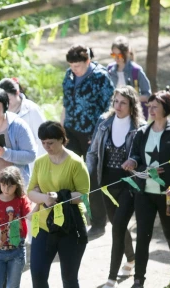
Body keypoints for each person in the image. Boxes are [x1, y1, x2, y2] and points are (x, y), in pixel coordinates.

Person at [123, 91, 170, 288]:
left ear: (166, 109)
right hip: (145, 193)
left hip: (168, 195)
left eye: (155, 106)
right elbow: (135, 154)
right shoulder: (142, 132)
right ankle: (138, 283)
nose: (150, 110)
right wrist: (133, 163)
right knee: (143, 237)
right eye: (149, 106)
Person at [27, 121, 89, 288]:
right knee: (37, 273)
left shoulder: (75, 162)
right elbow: (30, 190)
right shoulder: (41, 162)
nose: (47, 147)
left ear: (62, 140)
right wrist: (45, 198)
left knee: (69, 277)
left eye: (51, 143)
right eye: (43, 143)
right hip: (44, 225)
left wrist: (60, 196)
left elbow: (84, 193)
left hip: (70, 227)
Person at [87, 86, 145, 288]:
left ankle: (112, 277)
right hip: (106, 184)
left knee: (117, 226)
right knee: (118, 226)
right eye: (116, 101)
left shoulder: (140, 127)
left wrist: (135, 162)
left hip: (129, 185)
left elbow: (143, 157)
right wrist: (87, 175)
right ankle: (131, 258)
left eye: (123, 103)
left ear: (132, 105)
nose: (118, 106)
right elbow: (93, 153)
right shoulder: (104, 124)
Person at [61, 45, 114, 239]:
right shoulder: (68, 75)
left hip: (93, 132)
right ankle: (70, 217)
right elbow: (66, 103)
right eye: (72, 65)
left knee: (92, 176)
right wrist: (61, 127)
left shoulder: (101, 77)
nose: (75, 69)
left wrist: (100, 131)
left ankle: (99, 222)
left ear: (88, 62)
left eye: (78, 66)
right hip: (71, 130)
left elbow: (110, 107)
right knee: (68, 172)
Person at [0, 78, 46, 157]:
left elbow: (43, 138)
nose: (5, 103)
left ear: (17, 93)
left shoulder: (32, 110)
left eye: (8, 99)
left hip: (31, 162)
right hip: (7, 162)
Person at [107, 36, 151, 115]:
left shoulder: (136, 70)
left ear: (127, 52)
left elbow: (148, 95)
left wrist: (131, 99)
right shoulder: (110, 69)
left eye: (119, 55)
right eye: (113, 55)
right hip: (114, 113)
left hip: (132, 114)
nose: (116, 58)